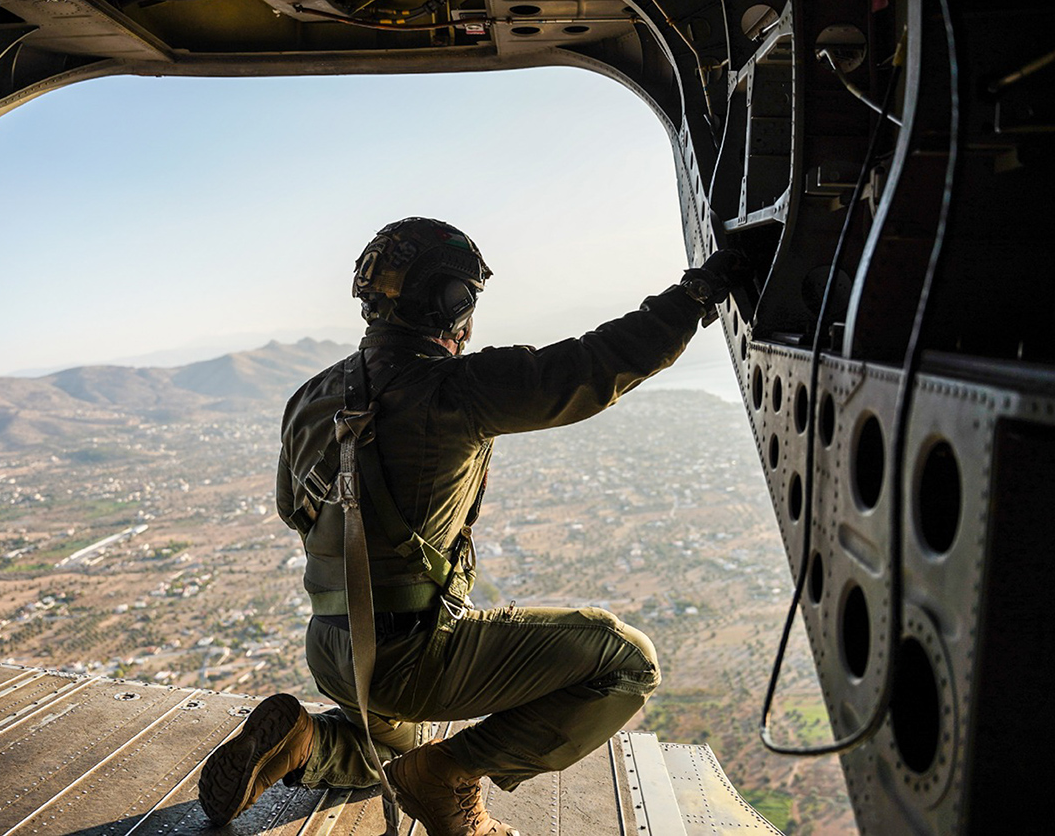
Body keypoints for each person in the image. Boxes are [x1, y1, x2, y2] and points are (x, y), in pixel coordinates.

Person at [198, 218, 747, 836]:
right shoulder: (455, 388)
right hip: (408, 656)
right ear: (452, 302)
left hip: (333, 646)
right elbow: (595, 365)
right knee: (627, 661)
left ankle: (300, 743)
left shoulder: (309, 397)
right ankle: (451, 774)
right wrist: (696, 294)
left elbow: (289, 507)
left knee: (393, 742)